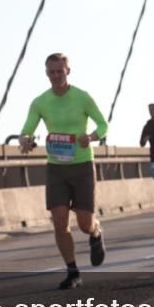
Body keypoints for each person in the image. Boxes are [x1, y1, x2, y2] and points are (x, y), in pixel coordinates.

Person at [20, 53, 108, 289]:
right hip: (56, 168)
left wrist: (90, 137)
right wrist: (26, 140)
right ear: (46, 73)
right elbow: (26, 129)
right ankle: (73, 272)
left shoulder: (82, 97)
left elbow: (103, 124)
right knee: (59, 220)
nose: (56, 76)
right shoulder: (40, 102)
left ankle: (96, 232)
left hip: (82, 166)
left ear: (68, 71)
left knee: (83, 223)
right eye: (52, 72)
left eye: (60, 71)